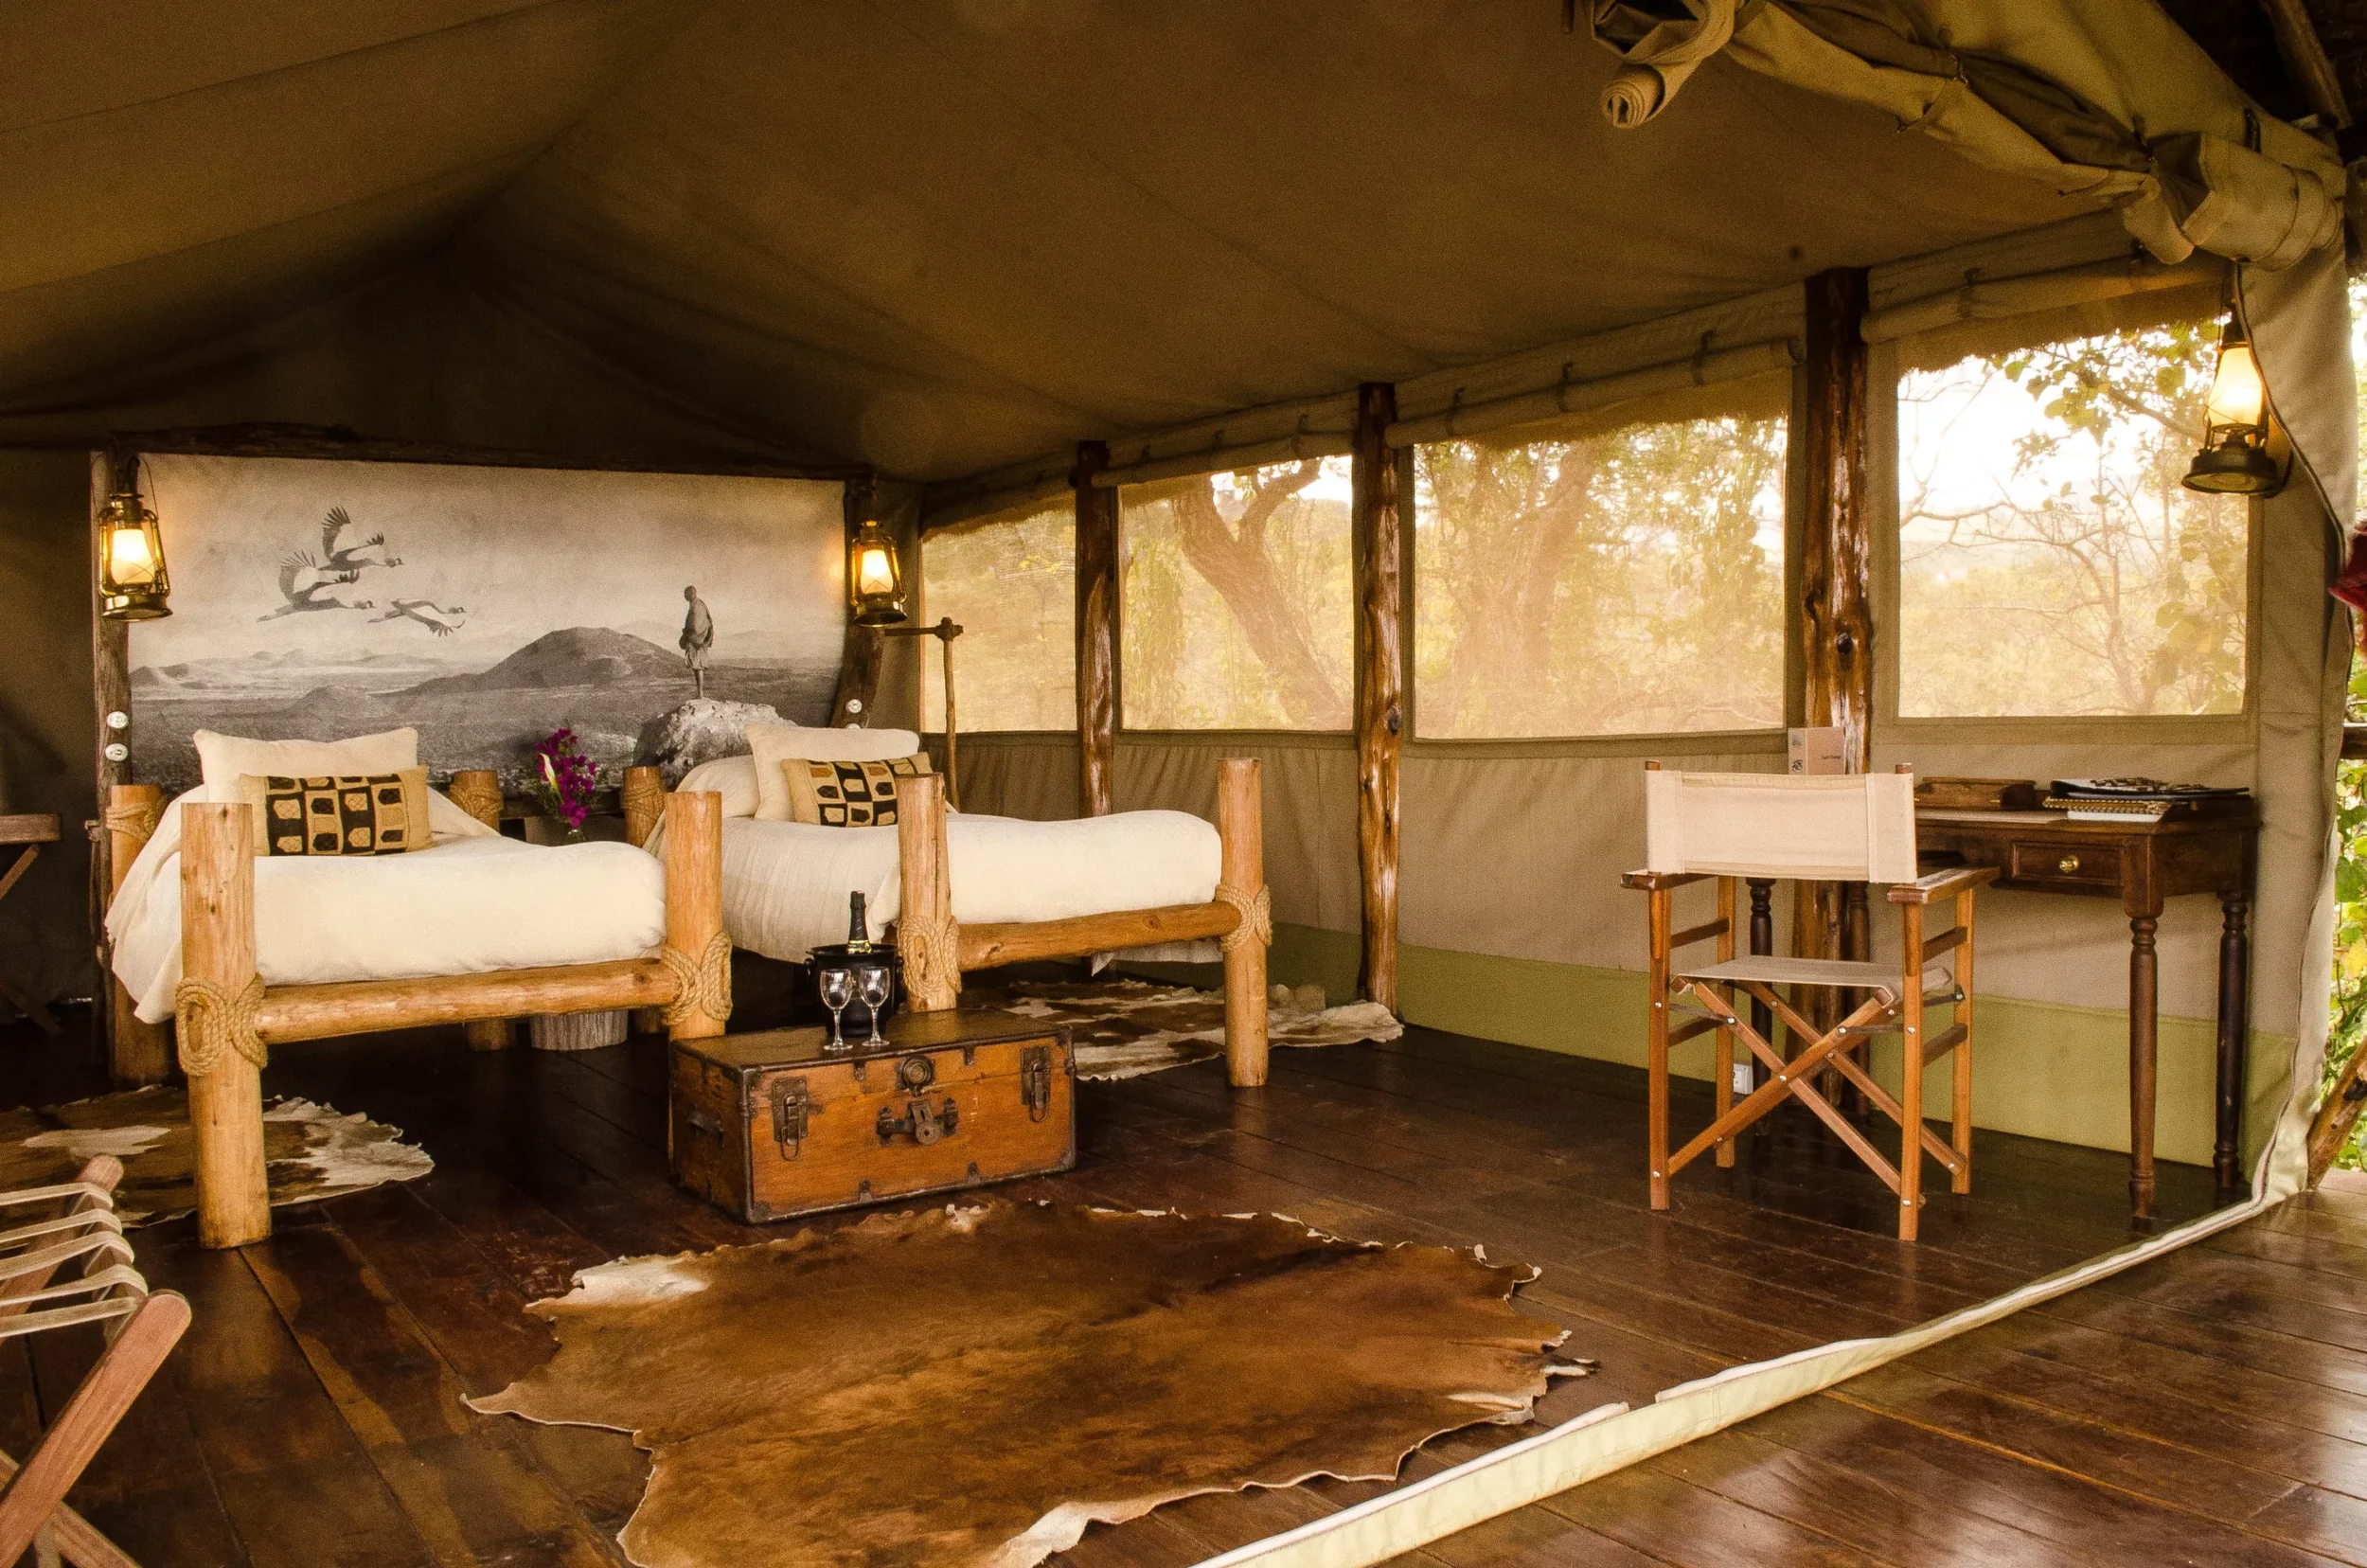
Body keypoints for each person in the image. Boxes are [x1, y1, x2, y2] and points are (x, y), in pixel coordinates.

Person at [679, 585, 714, 698]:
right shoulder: (697, 604)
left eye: (685, 594)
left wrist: (687, 631)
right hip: (699, 640)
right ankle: (700, 693)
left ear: (690, 594)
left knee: (698, 666)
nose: (684, 596)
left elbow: (696, 625)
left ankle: (700, 694)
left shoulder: (696, 606)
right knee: (696, 666)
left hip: (697, 641)